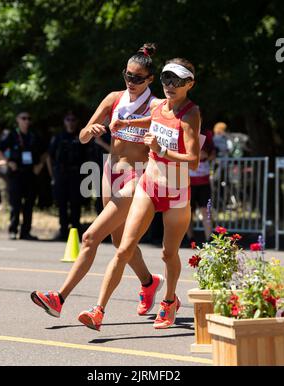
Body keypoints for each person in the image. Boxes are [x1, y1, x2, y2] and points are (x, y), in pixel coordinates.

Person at [31, 43, 164, 318]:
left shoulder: (157, 105)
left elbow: (168, 135)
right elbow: (81, 136)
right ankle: (149, 283)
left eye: (138, 78)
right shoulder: (114, 98)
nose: (131, 81)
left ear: (150, 79)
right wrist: (89, 131)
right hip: (110, 173)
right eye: (127, 75)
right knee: (119, 243)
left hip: (137, 177)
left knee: (90, 236)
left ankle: (59, 298)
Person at [78, 57, 201, 331]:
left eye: (178, 81)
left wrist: (161, 151)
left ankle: (169, 300)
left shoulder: (191, 113)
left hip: (177, 190)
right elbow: (152, 119)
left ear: (189, 84)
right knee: (123, 248)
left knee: (169, 254)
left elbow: (193, 160)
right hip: (149, 186)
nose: (170, 85)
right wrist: (123, 124)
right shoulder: (159, 108)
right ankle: (98, 311)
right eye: (167, 78)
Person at [0, 112, 46, 240]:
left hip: (30, 174)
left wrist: (40, 165)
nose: (26, 121)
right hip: (16, 174)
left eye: (28, 118)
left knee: (29, 204)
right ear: (17, 120)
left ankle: (26, 232)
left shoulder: (33, 136)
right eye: (23, 118)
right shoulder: (12, 135)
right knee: (15, 204)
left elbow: (45, 151)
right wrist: (8, 162)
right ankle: (13, 230)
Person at [47, 111, 91, 241]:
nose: (70, 122)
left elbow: (87, 158)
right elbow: (49, 156)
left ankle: (75, 231)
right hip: (61, 174)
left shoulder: (81, 137)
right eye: (68, 120)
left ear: (76, 122)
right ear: (64, 121)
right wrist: (52, 175)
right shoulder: (58, 137)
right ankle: (62, 231)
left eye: (73, 120)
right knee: (62, 203)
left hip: (77, 174)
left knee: (76, 203)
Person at [187, 127, 216, 242]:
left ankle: (209, 239)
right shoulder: (185, 131)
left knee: (206, 211)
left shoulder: (206, 133)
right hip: (188, 181)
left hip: (204, 181)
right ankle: (189, 239)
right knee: (188, 212)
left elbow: (213, 153)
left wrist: (206, 156)